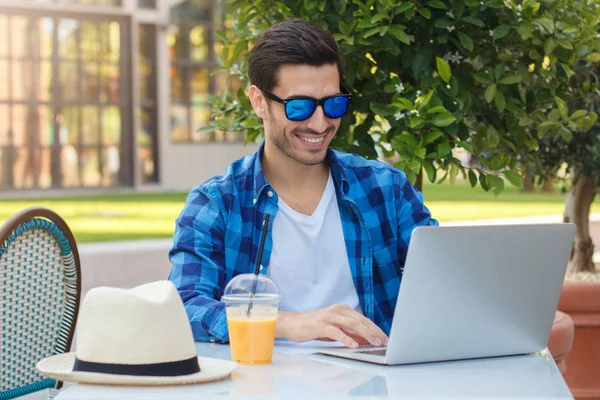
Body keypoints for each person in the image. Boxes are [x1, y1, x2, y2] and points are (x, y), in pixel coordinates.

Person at [168, 18, 438, 349]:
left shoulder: (386, 189)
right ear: (258, 102)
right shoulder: (216, 204)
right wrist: (286, 322)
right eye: (300, 107)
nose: (320, 123)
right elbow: (183, 307)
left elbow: (446, 278)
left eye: (333, 103)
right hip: (261, 385)